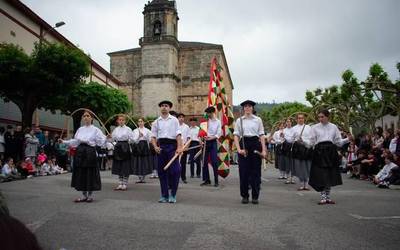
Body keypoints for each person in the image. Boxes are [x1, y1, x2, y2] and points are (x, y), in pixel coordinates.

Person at [60, 110, 106, 202]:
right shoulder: (80, 129)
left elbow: (101, 141)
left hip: (90, 151)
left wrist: (108, 138)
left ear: (92, 118)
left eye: (88, 116)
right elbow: (75, 141)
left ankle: (89, 195)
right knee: (81, 172)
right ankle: (84, 195)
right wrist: (64, 141)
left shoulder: (96, 130)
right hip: (80, 152)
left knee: (90, 172)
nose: (86, 117)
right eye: (84, 116)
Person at [309, 109, 351, 205]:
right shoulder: (314, 127)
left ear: (328, 117)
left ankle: (328, 197)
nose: (320, 119)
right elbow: (311, 143)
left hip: (331, 152)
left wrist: (348, 139)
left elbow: (338, 142)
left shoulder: (334, 127)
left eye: (322, 116)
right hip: (319, 152)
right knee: (321, 174)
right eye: (319, 117)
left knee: (329, 174)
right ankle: (323, 197)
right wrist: (302, 141)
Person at [233, 100, 267, 204]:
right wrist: (239, 149)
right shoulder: (239, 120)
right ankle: (245, 196)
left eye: (249, 106)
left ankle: (255, 196)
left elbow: (261, 135)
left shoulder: (258, 120)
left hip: (255, 144)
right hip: (244, 144)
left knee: (256, 172)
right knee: (243, 172)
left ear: (252, 108)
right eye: (245, 106)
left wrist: (264, 150)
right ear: (243, 109)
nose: (247, 108)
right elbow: (236, 136)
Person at [151, 100, 183, 203]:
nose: (164, 107)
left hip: (172, 147)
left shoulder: (174, 120)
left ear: (169, 108)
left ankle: (173, 194)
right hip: (161, 148)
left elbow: (178, 135)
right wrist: (155, 147)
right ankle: (164, 195)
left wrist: (179, 147)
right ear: (160, 108)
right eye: (162, 106)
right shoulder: (156, 122)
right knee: (162, 172)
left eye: (166, 106)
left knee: (176, 171)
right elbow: (153, 137)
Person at [108, 115, 134, 191]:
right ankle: (120, 183)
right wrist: (109, 137)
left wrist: (135, 138)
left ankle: (125, 183)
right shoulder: (116, 129)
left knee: (125, 166)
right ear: (117, 121)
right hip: (118, 147)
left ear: (125, 121)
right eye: (120, 120)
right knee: (119, 165)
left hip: (125, 147)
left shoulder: (128, 129)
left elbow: (132, 139)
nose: (121, 121)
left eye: (123, 120)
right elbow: (112, 139)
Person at [200, 106, 222, 187]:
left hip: (213, 142)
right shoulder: (204, 121)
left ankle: (216, 180)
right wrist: (202, 139)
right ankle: (207, 180)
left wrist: (211, 138)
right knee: (204, 162)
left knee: (214, 161)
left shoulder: (218, 122)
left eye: (209, 113)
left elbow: (218, 133)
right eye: (207, 113)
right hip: (205, 142)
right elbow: (201, 132)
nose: (207, 114)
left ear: (213, 113)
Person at [291, 113, 313, 191]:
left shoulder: (308, 127)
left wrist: (304, 141)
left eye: (302, 118)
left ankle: (306, 184)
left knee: (307, 166)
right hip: (298, 149)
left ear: (304, 119)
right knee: (299, 166)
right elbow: (291, 139)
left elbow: (311, 139)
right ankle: (301, 183)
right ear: (296, 119)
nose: (301, 119)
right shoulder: (293, 128)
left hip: (307, 148)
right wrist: (297, 140)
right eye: (299, 118)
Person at [132, 117, 154, 183]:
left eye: (141, 121)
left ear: (144, 122)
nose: (140, 123)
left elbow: (150, 140)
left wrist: (144, 136)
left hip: (144, 146)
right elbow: (133, 141)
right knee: (138, 161)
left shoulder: (147, 130)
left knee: (144, 161)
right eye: (139, 121)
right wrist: (139, 136)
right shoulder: (135, 130)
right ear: (137, 123)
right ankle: (139, 177)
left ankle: (143, 177)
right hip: (138, 146)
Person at [281, 118, 295, 184]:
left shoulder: (294, 129)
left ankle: (292, 178)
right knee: (287, 162)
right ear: (286, 123)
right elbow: (282, 139)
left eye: (289, 122)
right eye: (287, 122)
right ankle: (288, 178)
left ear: (291, 122)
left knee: (292, 163)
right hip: (286, 147)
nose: (288, 123)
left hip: (292, 146)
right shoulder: (283, 130)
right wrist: (283, 137)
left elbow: (294, 138)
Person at [177, 113, 190, 183]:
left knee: (183, 163)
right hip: (176, 147)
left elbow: (188, 137)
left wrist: (187, 146)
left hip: (184, 147)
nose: (181, 118)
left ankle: (183, 177)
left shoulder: (186, 127)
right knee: (176, 163)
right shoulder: (175, 126)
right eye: (180, 117)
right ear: (177, 118)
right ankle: (176, 177)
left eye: (182, 117)